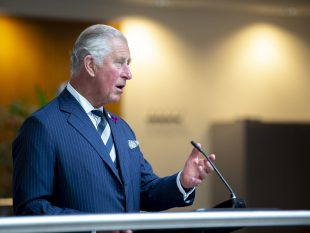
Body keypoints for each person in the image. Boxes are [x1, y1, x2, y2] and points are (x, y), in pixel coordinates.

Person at [12, 24, 215, 232]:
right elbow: (30, 210)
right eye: (120, 63)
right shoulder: (42, 126)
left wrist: (182, 182)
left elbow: (144, 190)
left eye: (128, 64)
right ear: (90, 65)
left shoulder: (122, 129)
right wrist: (95, 227)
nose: (128, 74)